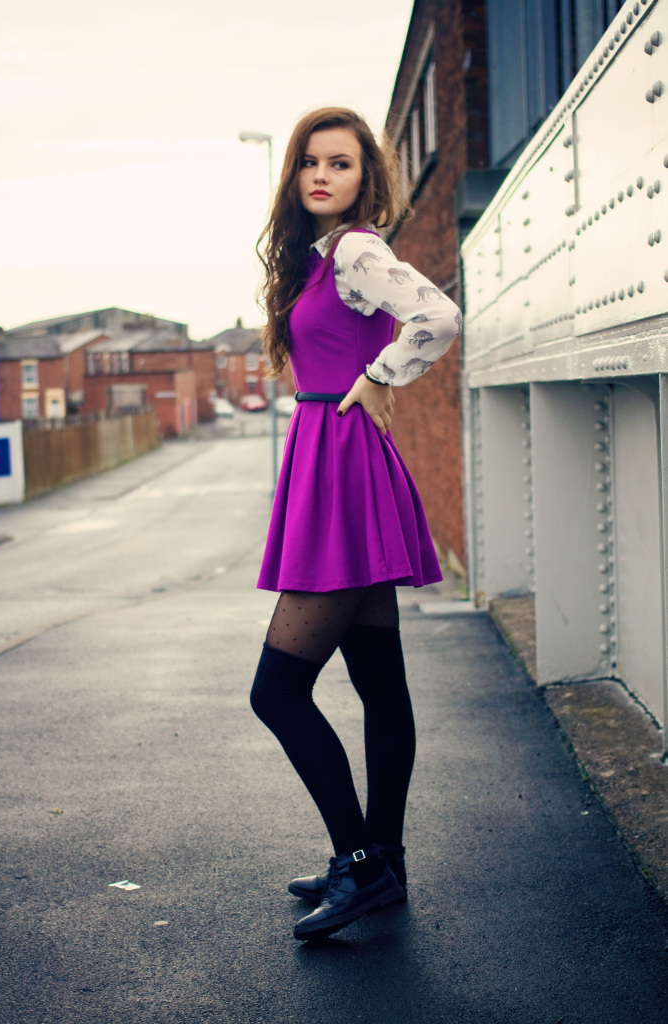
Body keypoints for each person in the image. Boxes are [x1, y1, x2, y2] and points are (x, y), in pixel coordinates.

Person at [250, 107, 461, 941]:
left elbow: (438, 317)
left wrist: (379, 376)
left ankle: (361, 866)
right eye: (309, 163)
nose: (320, 175)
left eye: (339, 162)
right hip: (335, 463)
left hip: (341, 466)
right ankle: (387, 862)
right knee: (379, 682)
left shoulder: (357, 251)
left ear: (365, 178)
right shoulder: (317, 260)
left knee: (277, 690)